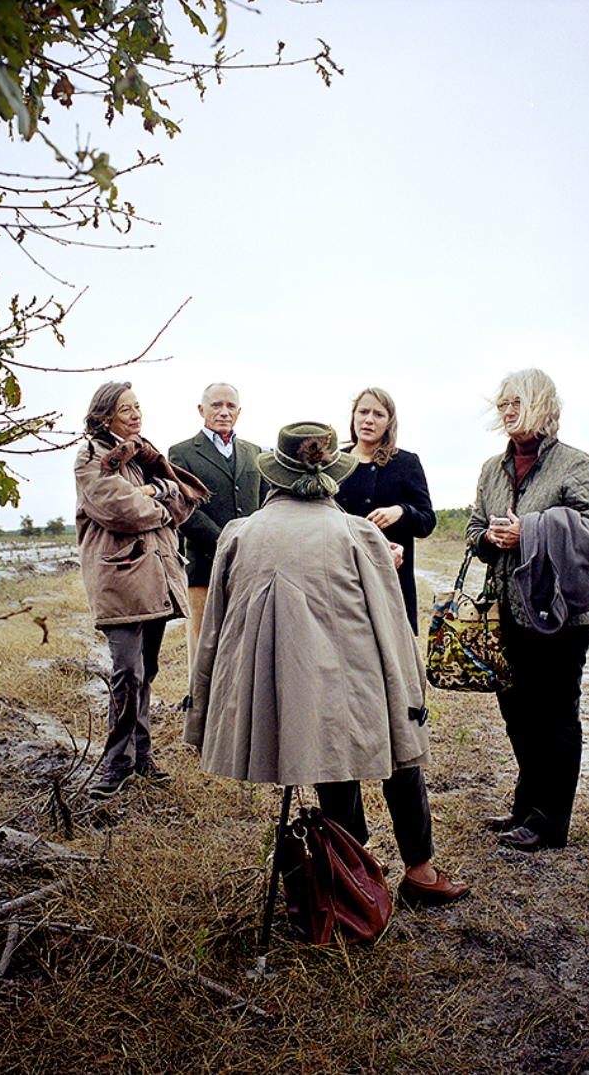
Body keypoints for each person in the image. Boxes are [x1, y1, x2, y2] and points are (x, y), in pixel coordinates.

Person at [185, 421, 470, 906]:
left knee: (331, 762)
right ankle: (417, 872)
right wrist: (408, 691)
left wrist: (206, 698)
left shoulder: (241, 533)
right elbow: (392, 623)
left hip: (293, 686)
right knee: (400, 756)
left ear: (275, 475)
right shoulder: (357, 534)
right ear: (331, 475)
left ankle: (355, 873)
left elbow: (214, 629)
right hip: (362, 679)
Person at [465, 369, 589, 851]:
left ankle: (550, 822)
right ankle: (528, 807)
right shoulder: (492, 468)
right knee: (518, 714)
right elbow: (472, 530)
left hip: (561, 616)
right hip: (507, 612)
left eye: (517, 404)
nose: (507, 413)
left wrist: (529, 530)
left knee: (555, 716)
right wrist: (489, 537)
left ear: (542, 407)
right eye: (503, 404)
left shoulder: (574, 463)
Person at [75, 381, 210, 797]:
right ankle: (115, 766)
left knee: (145, 671)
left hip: (155, 578)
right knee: (127, 673)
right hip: (120, 579)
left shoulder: (145, 455)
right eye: (125, 409)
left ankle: (142, 757)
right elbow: (118, 510)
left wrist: (155, 489)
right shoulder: (93, 456)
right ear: (104, 415)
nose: (135, 415)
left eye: (138, 407)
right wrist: (160, 502)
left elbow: (183, 504)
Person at [169, 383, 263, 679]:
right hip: (204, 566)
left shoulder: (254, 452)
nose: (224, 412)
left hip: (249, 566)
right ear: (201, 410)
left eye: (230, 406)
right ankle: (201, 713)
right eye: (216, 405)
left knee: (246, 643)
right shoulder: (182, 453)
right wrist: (225, 540)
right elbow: (182, 509)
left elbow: (265, 504)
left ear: (239, 411)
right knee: (204, 644)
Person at [335, 388, 436, 633]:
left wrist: (401, 512)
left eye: (378, 414)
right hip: (342, 578)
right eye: (363, 411)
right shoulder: (334, 462)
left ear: (389, 422)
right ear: (354, 417)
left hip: (391, 578)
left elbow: (427, 521)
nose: (369, 419)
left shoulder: (405, 463)